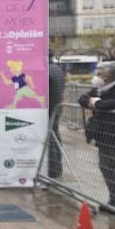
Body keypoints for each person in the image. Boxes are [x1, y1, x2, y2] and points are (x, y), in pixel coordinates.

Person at [78, 61, 115, 214]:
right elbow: (82, 99)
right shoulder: (99, 89)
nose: (97, 75)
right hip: (104, 135)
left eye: (100, 72)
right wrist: (93, 101)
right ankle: (114, 199)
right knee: (106, 167)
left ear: (110, 74)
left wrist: (97, 104)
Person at [47, 50, 67, 179]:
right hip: (57, 107)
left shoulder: (47, 71)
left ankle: (53, 169)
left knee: (50, 137)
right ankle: (58, 167)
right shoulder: (58, 69)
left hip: (50, 109)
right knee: (55, 135)